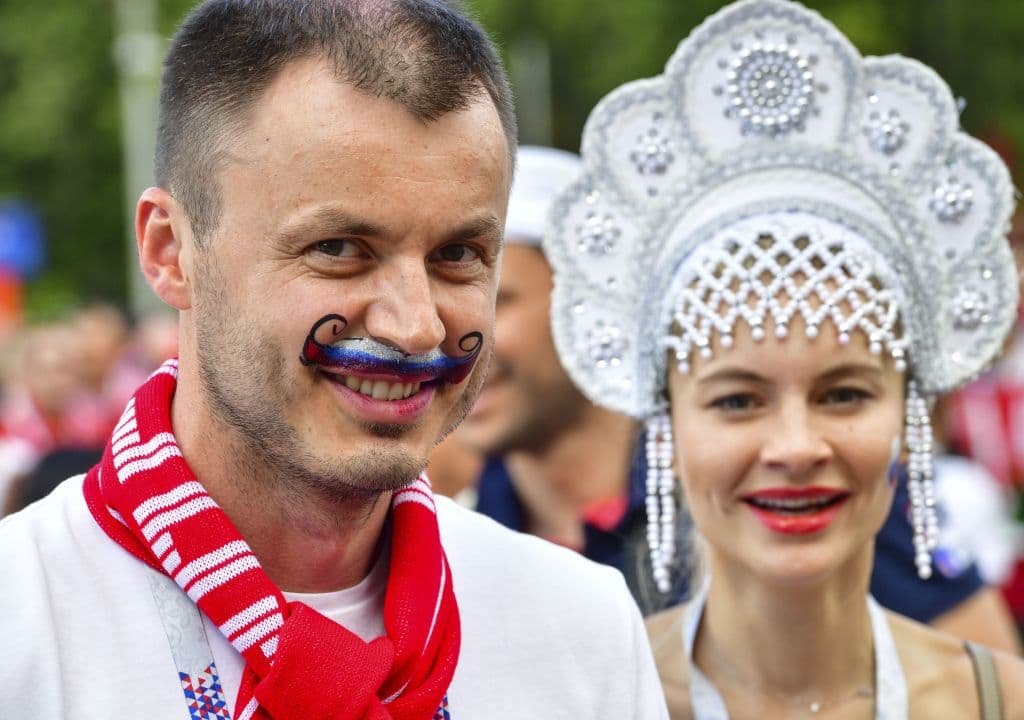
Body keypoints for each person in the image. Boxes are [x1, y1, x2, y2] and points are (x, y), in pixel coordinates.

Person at [0, 2, 668, 719]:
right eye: (341, 249)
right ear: (171, 251)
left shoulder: (583, 628)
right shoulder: (22, 625)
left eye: (458, 256)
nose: (415, 326)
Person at [543, 0, 1024, 715]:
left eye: (845, 395)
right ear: (666, 432)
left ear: (909, 414)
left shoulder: (998, 700)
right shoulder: (594, 700)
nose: (796, 447)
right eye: (737, 399)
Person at [459, 146, 1023, 652]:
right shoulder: (454, 534)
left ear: (587, 302)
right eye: (737, 401)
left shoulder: (787, 495)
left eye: (499, 300)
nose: (457, 334)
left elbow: (985, 674)